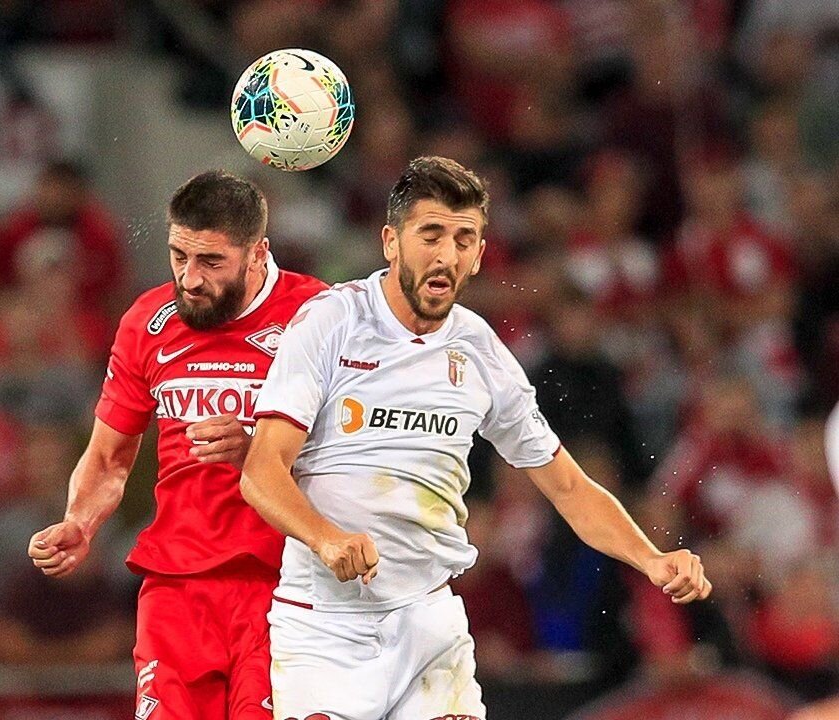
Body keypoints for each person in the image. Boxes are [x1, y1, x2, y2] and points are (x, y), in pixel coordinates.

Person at [240, 156, 713, 720]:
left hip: (428, 626)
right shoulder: (332, 321)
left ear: (481, 254)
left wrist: (652, 559)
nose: (447, 255)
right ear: (390, 242)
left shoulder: (480, 351)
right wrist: (326, 539)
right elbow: (261, 471)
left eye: (464, 239)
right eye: (430, 235)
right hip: (326, 628)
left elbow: (567, 487)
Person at [27, 171, 325, 719]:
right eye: (179, 256)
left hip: (286, 583)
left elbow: (358, 447)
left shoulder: (319, 315)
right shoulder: (147, 322)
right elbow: (109, 456)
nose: (190, 278)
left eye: (211, 262)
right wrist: (79, 522)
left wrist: (261, 448)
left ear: (258, 254)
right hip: (176, 587)